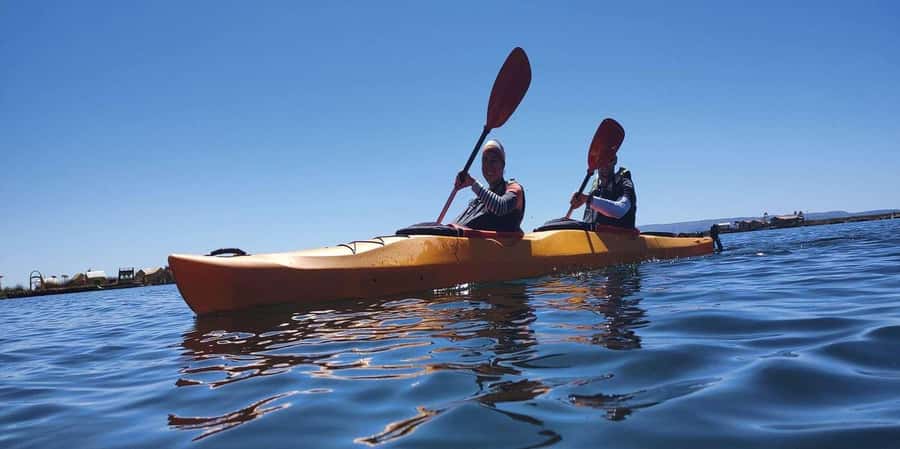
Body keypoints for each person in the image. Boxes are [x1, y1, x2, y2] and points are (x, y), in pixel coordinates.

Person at [452, 139, 526, 232]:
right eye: (485, 160)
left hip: (503, 241)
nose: (488, 166)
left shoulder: (514, 188)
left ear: (502, 165)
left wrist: (472, 183)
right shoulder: (480, 200)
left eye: (493, 160)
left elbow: (500, 207)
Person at [569, 156, 636, 229]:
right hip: (593, 234)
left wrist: (587, 199)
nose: (605, 165)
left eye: (609, 160)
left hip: (620, 235)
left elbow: (621, 209)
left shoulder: (624, 182)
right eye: (601, 161)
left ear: (615, 160)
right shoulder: (595, 187)